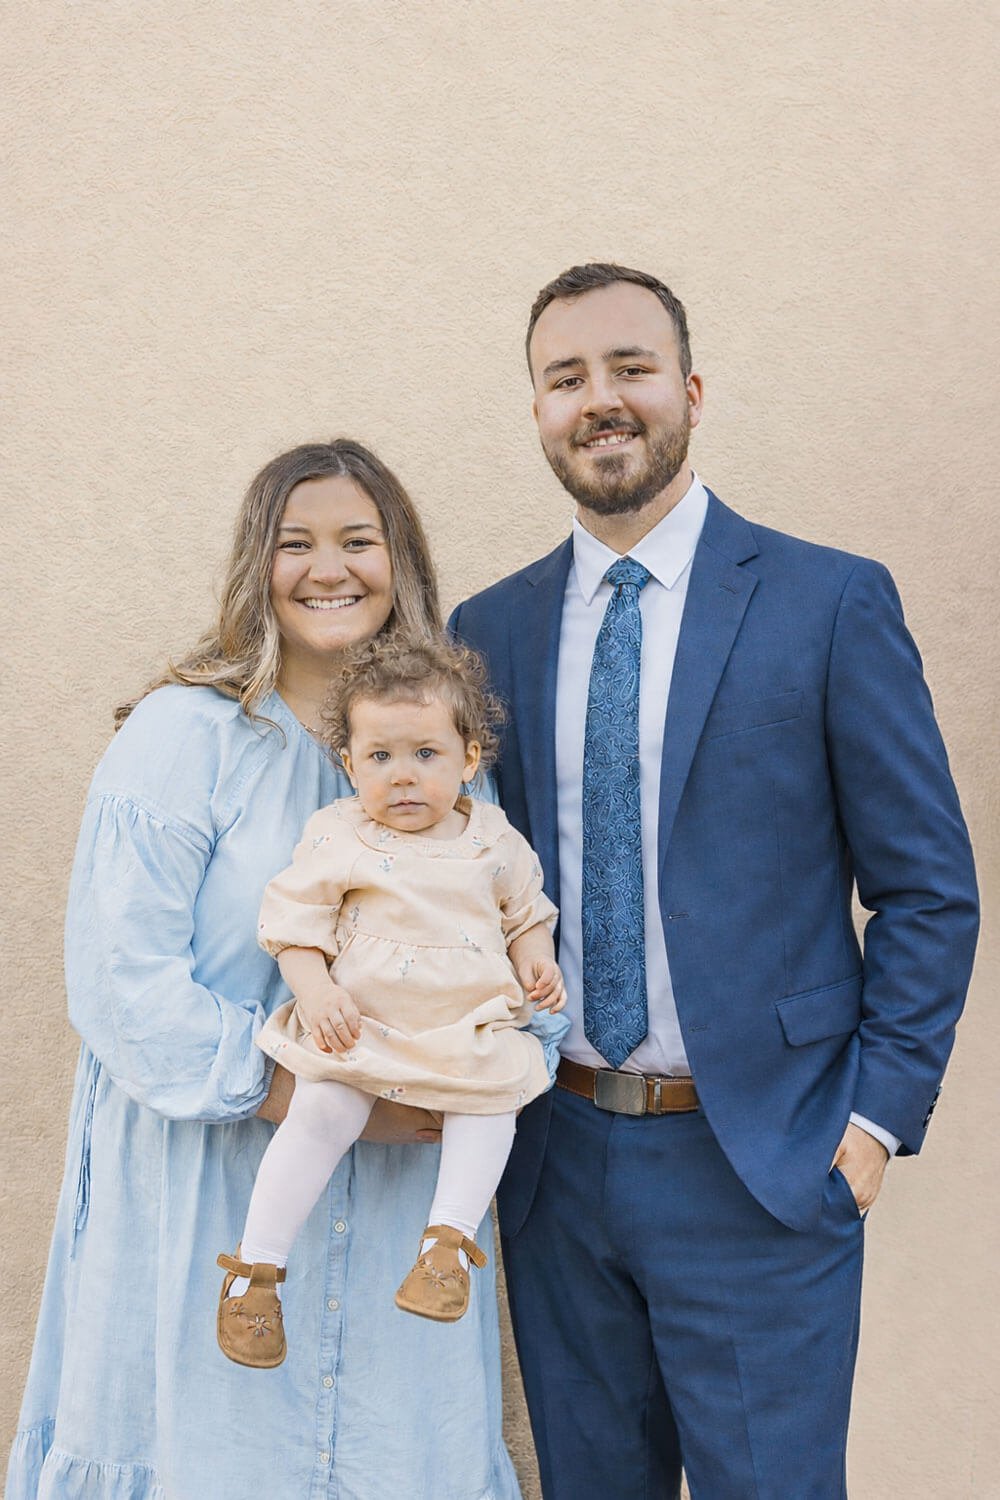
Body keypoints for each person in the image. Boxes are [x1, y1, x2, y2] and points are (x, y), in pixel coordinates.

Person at [449, 263, 980, 1499]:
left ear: (688, 389)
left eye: (629, 367)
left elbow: (927, 887)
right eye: (564, 378)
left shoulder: (827, 601)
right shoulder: (491, 629)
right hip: (556, 1162)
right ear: (535, 411)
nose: (601, 400)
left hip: (761, 1163)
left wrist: (871, 1124)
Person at [8, 439, 558, 1500]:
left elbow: (495, 932)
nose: (329, 568)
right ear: (256, 565)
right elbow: (120, 979)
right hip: (209, 1172)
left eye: (359, 540)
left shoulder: (438, 758)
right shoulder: (185, 738)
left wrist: (484, 1063)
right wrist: (283, 1085)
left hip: (406, 1192)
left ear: (400, 560)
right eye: (295, 543)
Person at [217, 631, 566, 1366]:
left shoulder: (494, 839)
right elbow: (292, 924)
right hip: (362, 1029)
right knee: (319, 1111)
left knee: (493, 1100)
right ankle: (257, 1273)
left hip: (465, 1028)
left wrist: (536, 964)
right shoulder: (339, 832)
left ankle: (446, 1244)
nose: (402, 777)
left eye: (425, 755)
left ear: (470, 759)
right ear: (348, 765)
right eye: (379, 758)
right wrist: (313, 991)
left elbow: (527, 914)